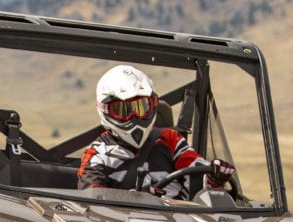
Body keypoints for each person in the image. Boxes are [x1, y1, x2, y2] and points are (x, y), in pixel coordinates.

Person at [77, 64, 235, 199]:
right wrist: (135, 200)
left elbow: (199, 182)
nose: (136, 117)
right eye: (124, 110)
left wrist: (216, 177)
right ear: (105, 110)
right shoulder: (97, 154)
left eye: (142, 107)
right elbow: (92, 204)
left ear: (153, 105)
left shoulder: (170, 139)